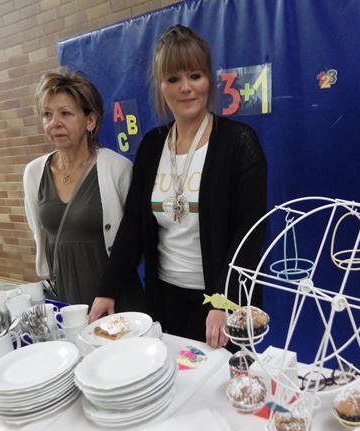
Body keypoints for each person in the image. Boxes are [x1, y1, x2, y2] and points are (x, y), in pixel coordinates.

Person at [89, 25, 267, 348]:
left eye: (195, 76)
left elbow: (250, 232)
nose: (186, 88)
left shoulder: (239, 143)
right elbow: (133, 227)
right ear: (161, 86)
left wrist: (224, 300)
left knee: (223, 377)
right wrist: (107, 289)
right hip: (165, 298)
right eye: (173, 79)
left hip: (221, 304)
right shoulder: (152, 146)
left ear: (209, 79)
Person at [23, 69, 144, 307]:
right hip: (65, 297)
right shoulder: (34, 173)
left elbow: (135, 239)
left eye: (65, 113)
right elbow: (39, 232)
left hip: (115, 297)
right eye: (47, 114)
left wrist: (110, 290)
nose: (54, 123)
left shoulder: (117, 169)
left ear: (90, 121)